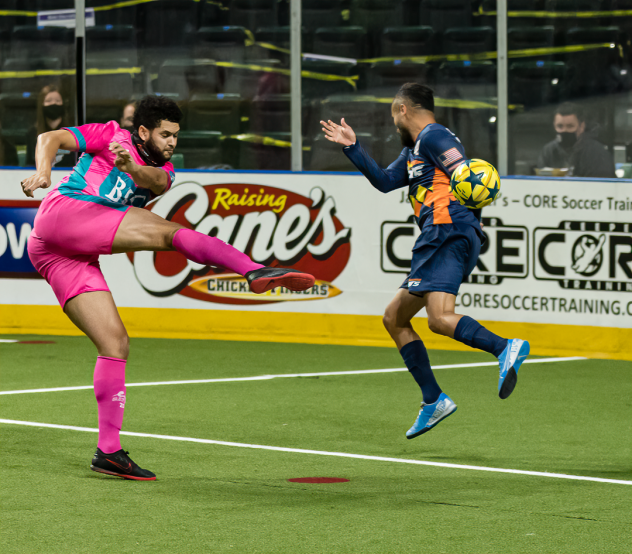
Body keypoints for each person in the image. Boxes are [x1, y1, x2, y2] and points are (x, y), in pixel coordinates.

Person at [21, 95, 315, 480]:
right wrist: (44, 172)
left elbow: (153, 180)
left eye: (176, 135)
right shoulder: (111, 134)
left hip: (57, 254)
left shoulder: (167, 172)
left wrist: (131, 168)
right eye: (165, 134)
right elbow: (49, 138)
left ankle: (108, 452)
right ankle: (254, 271)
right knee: (172, 234)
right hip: (65, 213)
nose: (173, 142)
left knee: (115, 344)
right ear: (143, 131)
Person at [321, 83, 530, 439]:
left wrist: (466, 214)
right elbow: (386, 182)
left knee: (439, 319)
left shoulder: (434, 137)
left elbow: (465, 176)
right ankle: (434, 399)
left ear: (404, 109)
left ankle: (504, 348)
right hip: (441, 236)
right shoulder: (416, 150)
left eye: (393, 117)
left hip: (445, 232)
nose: (394, 125)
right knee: (395, 317)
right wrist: (352, 147)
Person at [537, 102, 615, 178]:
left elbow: (602, 186)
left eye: (570, 126)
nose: (564, 131)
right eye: (560, 126)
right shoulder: (549, 151)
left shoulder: (596, 153)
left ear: (582, 127)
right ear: (554, 126)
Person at [26, 85, 74, 167]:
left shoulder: (73, 133)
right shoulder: (32, 133)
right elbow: (29, 164)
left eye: (58, 101)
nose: (53, 104)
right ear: (42, 104)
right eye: (48, 101)